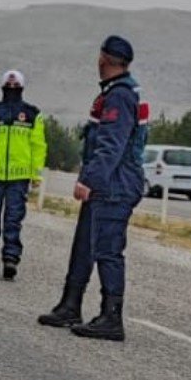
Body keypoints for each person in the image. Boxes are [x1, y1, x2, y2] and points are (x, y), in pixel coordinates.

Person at [39, 36, 146, 341]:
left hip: (115, 184)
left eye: (99, 57)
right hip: (109, 182)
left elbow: (111, 145)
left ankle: (111, 318)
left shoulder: (120, 96)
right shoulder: (117, 92)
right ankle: (70, 304)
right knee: (85, 245)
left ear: (104, 60)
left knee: (108, 250)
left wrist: (89, 180)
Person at [0, 69, 46, 280]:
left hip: (18, 178)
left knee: (13, 220)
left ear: (21, 87)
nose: (12, 88)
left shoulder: (32, 114)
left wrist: (36, 175)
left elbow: (38, 147)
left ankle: (10, 259)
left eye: (16, 86)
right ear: (3, 87)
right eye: (9, 86)